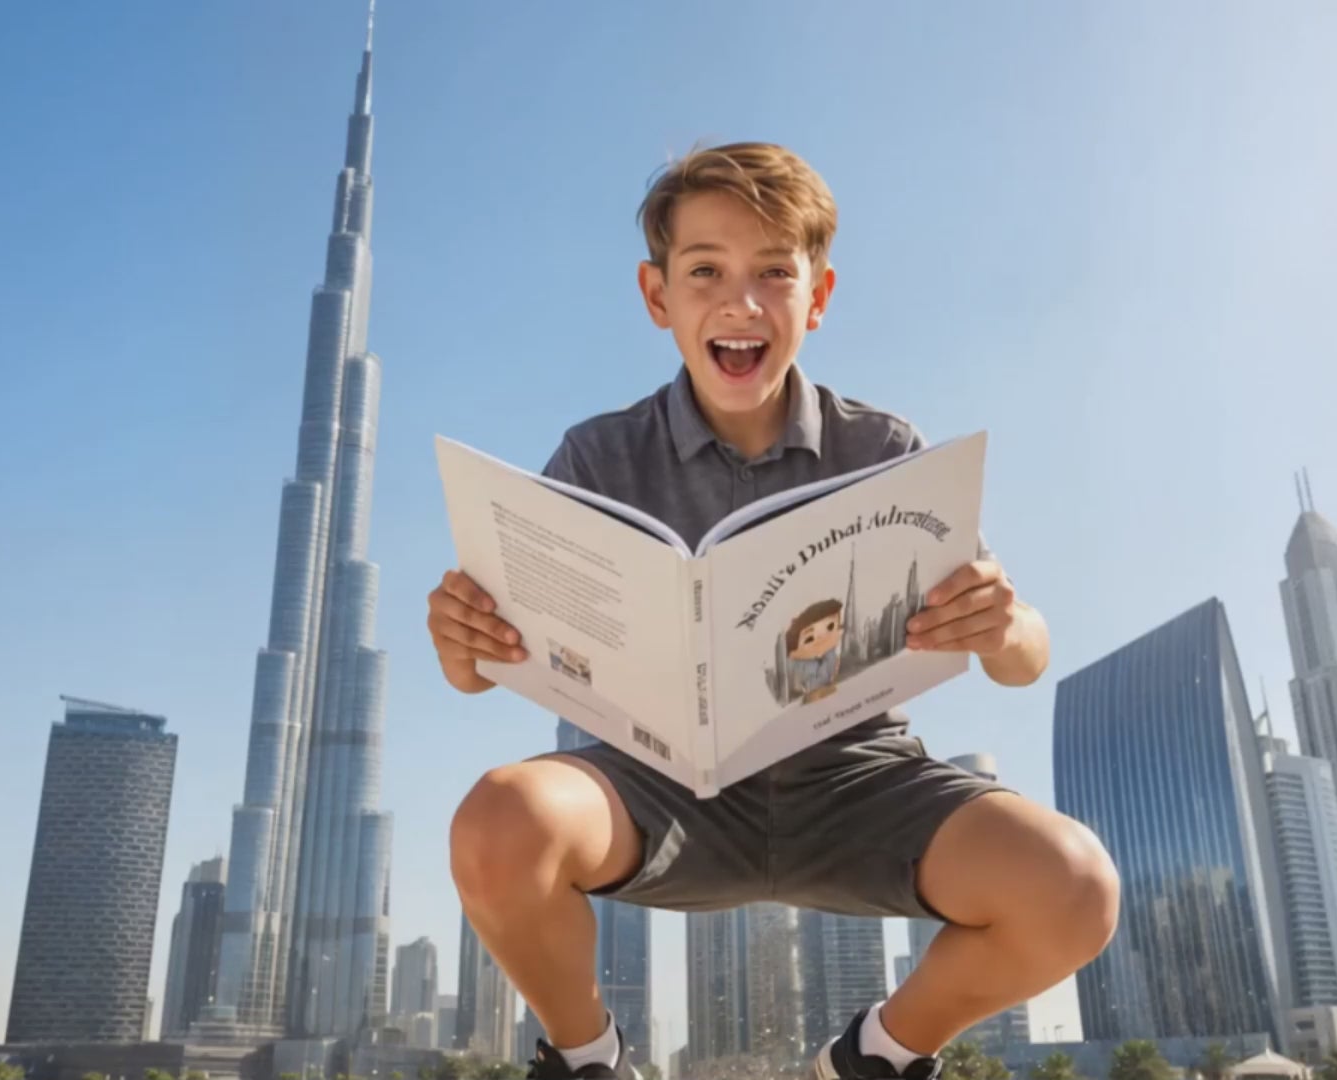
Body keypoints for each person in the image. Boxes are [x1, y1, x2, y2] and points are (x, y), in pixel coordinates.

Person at [426, 142, 1119, 1080]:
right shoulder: (594, 458)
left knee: (1075, 885)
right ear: (656, 295)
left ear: (817, 296)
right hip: (659, 789)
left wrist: (1005, 625)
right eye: (705, 271)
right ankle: (591, 1061)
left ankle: (871, 1059)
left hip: (856, 782)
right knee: (497, 821)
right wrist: (462, 643)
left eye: (773, 274)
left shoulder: (886, 446)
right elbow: (482, 672)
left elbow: (1025, 659)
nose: (740, 303)